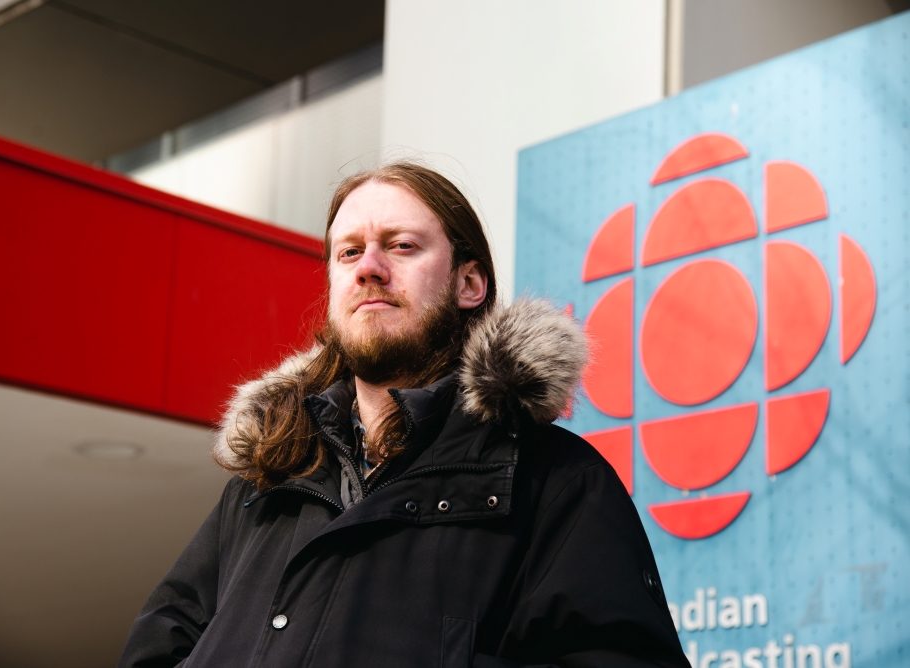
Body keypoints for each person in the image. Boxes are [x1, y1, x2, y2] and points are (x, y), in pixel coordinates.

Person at [118, 163, 689, 668]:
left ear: (469, 283)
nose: (369, 268)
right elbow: (159, 647)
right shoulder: (265, 479)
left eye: (401, 246)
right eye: (349, 252)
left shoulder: (555, 478)